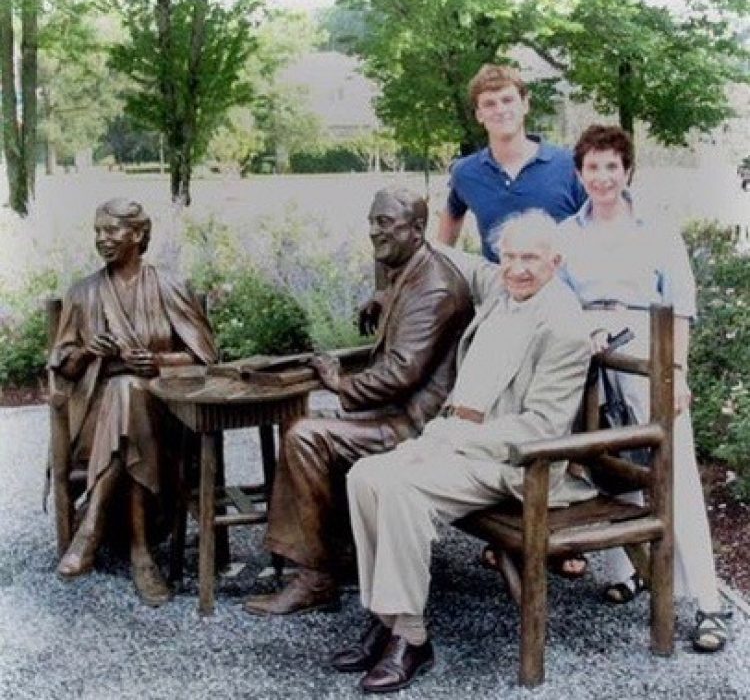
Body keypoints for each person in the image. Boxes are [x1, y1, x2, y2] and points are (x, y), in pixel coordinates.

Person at [333, 210, 595, 694]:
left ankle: (411, 638)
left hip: (512, 464)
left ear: (555, 262)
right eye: (509, 256)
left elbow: (541, 428)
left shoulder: (563, 327)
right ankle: (386, 615)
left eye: (530, 259)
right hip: (456, 443)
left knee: (400, 489)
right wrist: (408, 237)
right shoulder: (502, 289)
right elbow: (460, 259)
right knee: (365, 475)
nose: (516, 267)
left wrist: (458, 437)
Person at [242, 186, 473, 617]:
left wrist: (337, 382)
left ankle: (316, 577)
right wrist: (384, 298)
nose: (373, 232)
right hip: (394, 412)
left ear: (418, 229)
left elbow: (400, 374)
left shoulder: (436, 286)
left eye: (384, 223)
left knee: (305, 436)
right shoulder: (408, 272)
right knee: (310, 426)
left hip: (415, 425)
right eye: (371, 221)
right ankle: (339, 551)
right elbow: (405, 302)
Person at [558, 124, 730, 653]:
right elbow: (560, 301)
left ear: (627, 171)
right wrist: (584, 327)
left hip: (648, 360)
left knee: (673, 476)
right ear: (580, 173)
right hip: (594, 362)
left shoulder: (656, 230)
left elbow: (681, 309)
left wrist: (676, 373)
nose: (603, 176)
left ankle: (707, 604)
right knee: (613, 468)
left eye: (612, 166)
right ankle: (632, 569)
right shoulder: (566, 233)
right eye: (593, 167)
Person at [49, 198, 217, 606]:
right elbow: (63, 368)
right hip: (93, 423)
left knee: (131, 392)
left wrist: (157, 361)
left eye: (112, 231)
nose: (102, 239)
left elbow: (206, 357)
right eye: (97, 232)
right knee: (124, 392)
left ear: (139, 235)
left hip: (165, 418)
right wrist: (89, 351)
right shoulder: (83, 293)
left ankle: (92, 525)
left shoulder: (169, 287)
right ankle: (142, 554)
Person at [437, 64, 585, 262]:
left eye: (508, 100)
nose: (500, 110)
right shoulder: (466, 173)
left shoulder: (569, 165)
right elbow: (450, 221)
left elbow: (599, 225)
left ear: (525, 105)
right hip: (500, 288)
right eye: (489, 104)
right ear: (479, 115)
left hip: (562, 287)